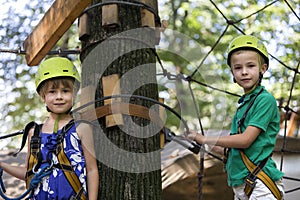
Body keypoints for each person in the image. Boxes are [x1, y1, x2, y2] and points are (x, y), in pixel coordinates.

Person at [186, 35, 284, 200]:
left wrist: (206, 139)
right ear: (232, 72)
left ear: (263, 68)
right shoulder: (244, 105)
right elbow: (235, 150)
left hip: (260, 183)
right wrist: (204, 143)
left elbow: (245, 140)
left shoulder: (264, 100)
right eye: (238, 68)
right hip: (241, 184)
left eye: (251, 66)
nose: (244, 72)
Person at [0, 57, 99, 199]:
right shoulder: (34, 134)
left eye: (65, 91)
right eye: (52, 92)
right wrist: (2, 164)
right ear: (42, 95)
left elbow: (91, 170)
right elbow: (29, 174)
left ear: (74, 93)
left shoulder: (82, 128)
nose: (59, 97)